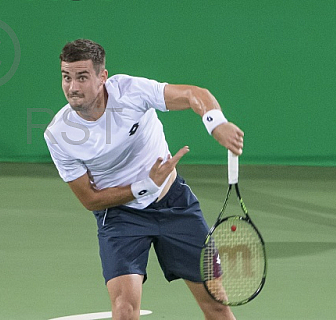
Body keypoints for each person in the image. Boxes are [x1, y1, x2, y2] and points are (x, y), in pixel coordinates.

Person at [43, 39, 244, 320]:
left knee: (217, 303)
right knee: (124, 310)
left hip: (174, 203)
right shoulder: (59, 134)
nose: (73, 87)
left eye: (82, 77)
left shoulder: (130, 91)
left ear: (102, 77)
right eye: (66, 77)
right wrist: (144, 186)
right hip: (120, 218)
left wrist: (216, 122)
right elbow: (90, 199)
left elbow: (192, 94)